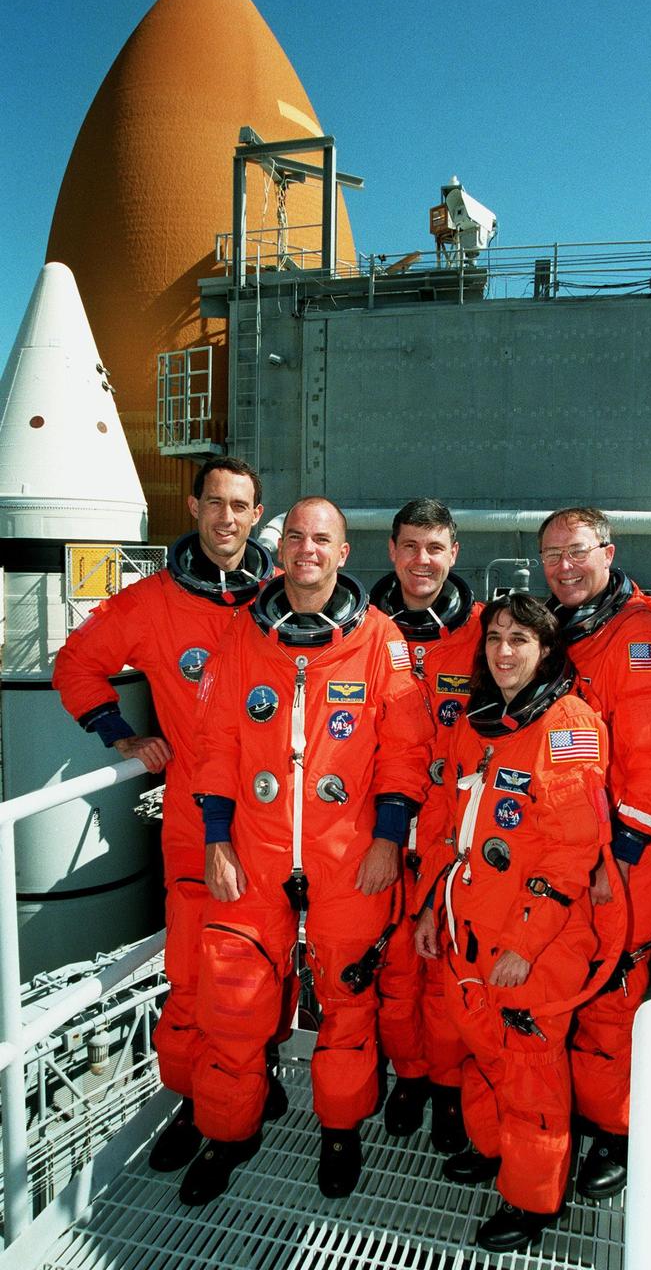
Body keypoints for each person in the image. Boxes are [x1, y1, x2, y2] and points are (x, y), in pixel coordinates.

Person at [183, 496, 434, 1205]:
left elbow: (405, 750)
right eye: (294, 537)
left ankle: (340, 1130)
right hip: (254, 852)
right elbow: (216, 744)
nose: (306, 550)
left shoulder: (381, 640)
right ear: (282, 546)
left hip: (349, 856)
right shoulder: (243, 636)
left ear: (344, 553)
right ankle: (229, 1133)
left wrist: (388, 838)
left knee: (350, 1005)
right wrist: (215, 840)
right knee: (232, 1004)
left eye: (321, 539)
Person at [52, 457, 274, 1174]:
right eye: (216, 503)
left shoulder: (283, 599)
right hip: (191, 817)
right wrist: (122, 734)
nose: (228, 519)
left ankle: (239, 1107)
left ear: (256, 513)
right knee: (189, 974)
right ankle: (193, 1099)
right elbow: (75, 665)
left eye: (241, 505)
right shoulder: (150, 603)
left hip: (273, 821)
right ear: (193, 507)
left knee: (260, 970)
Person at [414, 594, 624, 1253]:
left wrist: (526, 947)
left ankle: (533, 1200)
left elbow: (572, 852)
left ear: (547, 650)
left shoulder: (570, 724)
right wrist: (428, 910)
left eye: (520, 641)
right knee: (484, 1053)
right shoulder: (478, 722)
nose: (504, 652)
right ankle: (494, 1147)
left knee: (530, 1070)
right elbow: (453, 830)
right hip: (471, 925)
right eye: (496, 639)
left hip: (540, 938)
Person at [537, 507, 651, 1198]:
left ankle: (615, 1135)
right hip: (569, 856)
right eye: (552, 556)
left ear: (608, 551)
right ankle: (555, 1127)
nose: (564, 568)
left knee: (608, 1003)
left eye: (577, 553)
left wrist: (618, 859)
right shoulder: (556, 633)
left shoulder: (638, 638)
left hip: (623, 862)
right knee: (561, 991)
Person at [370, 498, 481, 1153]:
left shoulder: (485, 630)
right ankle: (408, 1075)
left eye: (435, 547)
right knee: (392, 973)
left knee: (443, 974)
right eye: (411, 546)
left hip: (450, 835)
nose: (422, 561)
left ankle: (448, 1086)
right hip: (378, 830)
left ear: (453, 553)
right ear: (391, 550)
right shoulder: (357, 631)